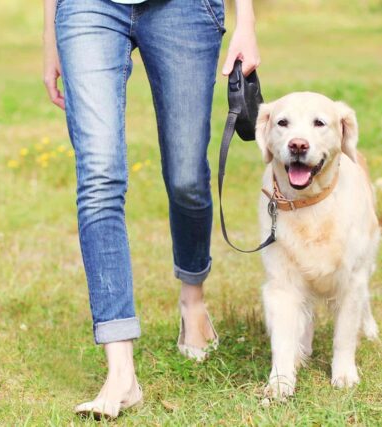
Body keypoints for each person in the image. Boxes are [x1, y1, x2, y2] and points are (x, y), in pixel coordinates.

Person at [42, 0, 259, 418]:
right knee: (99, 177)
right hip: (87, 10)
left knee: (187, 178)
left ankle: (192, 300)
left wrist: (246, 21)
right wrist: (50, 35)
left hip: (184, 9)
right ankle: (120, 372)